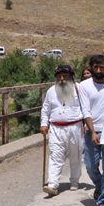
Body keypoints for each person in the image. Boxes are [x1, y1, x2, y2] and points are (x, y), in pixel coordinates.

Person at [80, 55, 104, 206]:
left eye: (102, 67)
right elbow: (85, 110)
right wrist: (93, 131)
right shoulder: (84, 86)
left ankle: (103, 201)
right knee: (90, 165)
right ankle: (100, 186)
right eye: (96, 67)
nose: (99, 70)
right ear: (91, 68)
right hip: (91, 131)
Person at [40, 65, 85, 196]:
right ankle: (52, 185)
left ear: (70, 76)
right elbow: (45, 108)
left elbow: (86, 106)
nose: (62, 79)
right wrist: (44, 124)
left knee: (75, 156)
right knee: (55, 156)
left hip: (75, 127)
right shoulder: (51, 91)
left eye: (65, 76)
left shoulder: (79, 89)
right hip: (56, 128)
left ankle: (75, 181)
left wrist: (87, 124)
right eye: (59, 76)